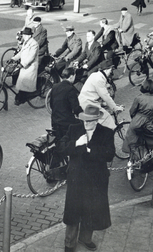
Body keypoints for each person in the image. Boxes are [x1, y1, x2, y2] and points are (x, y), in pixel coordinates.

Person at [56, 104, 115, 252]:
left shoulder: (106, 133)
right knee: (73, 211)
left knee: (92, 210)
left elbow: (109, 154)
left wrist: (89, 149)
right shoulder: (74, 129)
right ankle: (69, 243)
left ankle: (85, 238)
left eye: (90, 121)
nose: (86, 124)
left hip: (96, 179)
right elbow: (61, 148)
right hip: (77, 178)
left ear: (96, 120)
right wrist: (76, 143)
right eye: (85, 121)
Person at [122, 79, 153, 155]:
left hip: (135, 122)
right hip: (148, 124)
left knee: (133, 139)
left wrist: (135, 119)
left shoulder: (138, 98)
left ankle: (133, 157)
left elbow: (132, 111)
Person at [78, 61, 124, 130]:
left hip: (86, 102)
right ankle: (109, 137)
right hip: (89, 104)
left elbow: (96, 94)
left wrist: (110, 105)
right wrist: (116, 108)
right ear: (107, 69)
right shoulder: (99, 79)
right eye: (111, 70)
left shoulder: (95, 75)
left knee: (99, 124)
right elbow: (106, 96)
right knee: (107, 118)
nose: (111, 72)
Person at [50, 67, 83, 139]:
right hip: (66, 123)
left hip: (55, 122)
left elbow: (51, 105)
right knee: (83, 127)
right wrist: (83, 114)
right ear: (71, 77)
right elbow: (76, 108)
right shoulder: (70, 89)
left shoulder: (55, 86)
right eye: (74, 76)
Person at [11, 27, 39, 105]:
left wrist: (22, 64)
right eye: (24, 34)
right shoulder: (25, 42)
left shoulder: (34, 43)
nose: (24, 36)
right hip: (24, 66)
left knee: (24, 84)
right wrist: (13, 59)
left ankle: (22, 99)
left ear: (30, 35)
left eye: (26, 35)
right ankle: (20, 98)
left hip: (30, 66)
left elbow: (31, 57)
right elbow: (21, 53)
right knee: (21, 83)